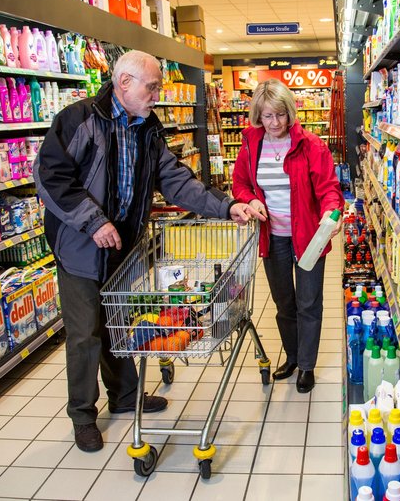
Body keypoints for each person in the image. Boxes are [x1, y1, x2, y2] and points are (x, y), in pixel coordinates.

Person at [33, 50, 264, 452]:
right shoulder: (80, 119)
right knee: (86, 332)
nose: (158, 93)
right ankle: (83, 416)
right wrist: (93, 221)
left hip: (125, 246)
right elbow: (50, 177)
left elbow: (177, 181)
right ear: (124, 83)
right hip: (81, 247)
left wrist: (227, 206)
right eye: (152, 86)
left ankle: (125, 397)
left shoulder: (148, 129)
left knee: (120, 326)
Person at [232, 78, 344, 394]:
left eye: (280, 115)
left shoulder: (311, 145)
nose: (275, 122)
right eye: (268, 116)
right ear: (258, 116)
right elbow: (239, 183)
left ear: (290, 112)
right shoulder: (251, 145)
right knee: (284, 302)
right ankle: (292, 356)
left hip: (308, 237)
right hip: (273, 237)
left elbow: (329, 189)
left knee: (309, 303)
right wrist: (250, 199)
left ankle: (306, 366)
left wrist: (330, 212)